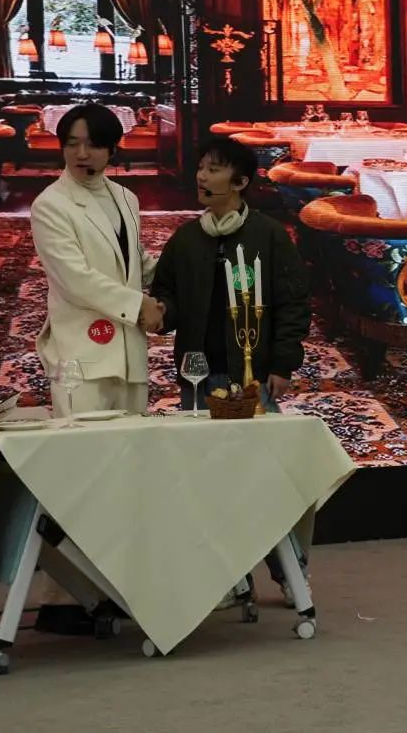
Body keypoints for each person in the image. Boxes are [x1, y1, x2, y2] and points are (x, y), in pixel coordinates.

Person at [150, 136, 312, 604]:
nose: (202, 176)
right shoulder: (186, 238)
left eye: (214, 169)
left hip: (250, 377)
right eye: (201, 167)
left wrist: (282, 362)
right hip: (199, 376)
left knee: (263, 478)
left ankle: (290, 572)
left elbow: (293, 302)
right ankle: (225, 575)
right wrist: (159, 312)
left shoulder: (269, 236)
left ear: (240, 182)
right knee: (207, 480)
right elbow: (167, 295)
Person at [29, 101, 162, 632]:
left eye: (93, 144)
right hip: (81, 353)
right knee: (80, 478)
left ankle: (114, 589)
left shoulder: (126, 198)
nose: (82, 154)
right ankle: (63, 601)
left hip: (128, 351)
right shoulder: (50, 205)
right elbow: (76, 279)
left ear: (112, 149)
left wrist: (175, 280)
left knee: (126, 476)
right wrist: (138, 306)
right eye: (72, 143)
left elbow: (137, 265)